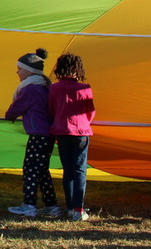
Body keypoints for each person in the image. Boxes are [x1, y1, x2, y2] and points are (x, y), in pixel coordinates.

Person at [5, 48, 60, 218]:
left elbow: (14, 110)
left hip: (38, 134)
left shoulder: (29, 90)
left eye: (20, 69)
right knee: (42, 170)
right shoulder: (45, 87)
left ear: (29, 71)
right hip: (48, 135)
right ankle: (51, 204)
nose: (17, 72)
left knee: (30, 168)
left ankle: (29, 204)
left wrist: (9, 115)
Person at [49, 52, 95, 222]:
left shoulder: (54, 88)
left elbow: (51, 110)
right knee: (80, 170)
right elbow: (90, 111)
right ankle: (78, 209)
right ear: (78, 70)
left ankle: (70, 208)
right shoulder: (84, 88)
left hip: (61, 132)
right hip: (81, 132)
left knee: (67, 170)